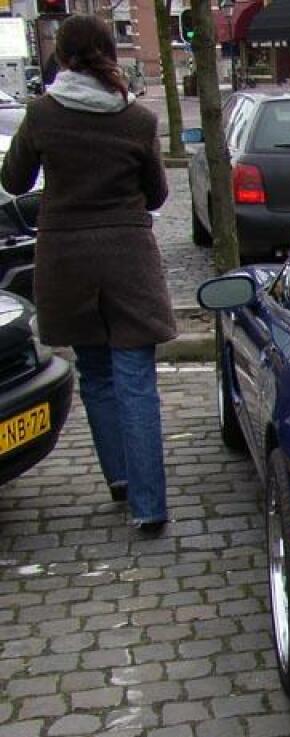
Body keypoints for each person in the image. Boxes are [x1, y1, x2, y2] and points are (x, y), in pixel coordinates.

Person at [1, 15, 173, 533]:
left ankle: (119, 479)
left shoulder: (42, 115)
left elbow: (14, 180)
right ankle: (150, 506)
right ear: (108, 55)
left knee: (95, 373)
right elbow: (159, 194)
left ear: (64, 58)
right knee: (136, 381)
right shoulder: (136, 120)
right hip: (127, 258)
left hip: (67, 259)